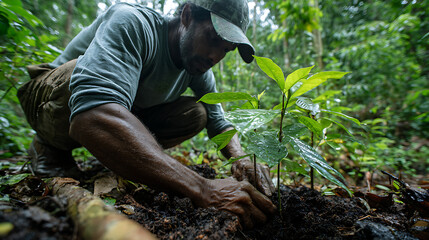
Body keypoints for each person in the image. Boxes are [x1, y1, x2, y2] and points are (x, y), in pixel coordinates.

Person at [17, 0, 276, 228]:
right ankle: (48, 148)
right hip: (47, 96)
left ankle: (118, 154)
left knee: (196, 113)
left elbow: (218, 122)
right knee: (86, 80)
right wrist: (203, 189)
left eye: (226, 50)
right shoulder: (133, 22)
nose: (215, 56)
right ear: (186, 16)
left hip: (110, 109)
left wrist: (242, 160)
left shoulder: (197, 67)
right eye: (212, 38)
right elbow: (92, 114)